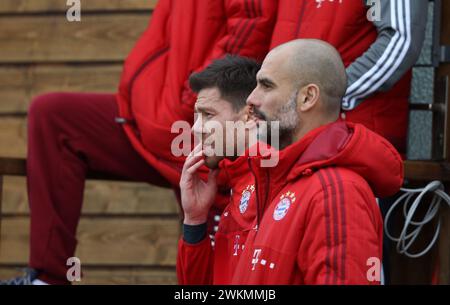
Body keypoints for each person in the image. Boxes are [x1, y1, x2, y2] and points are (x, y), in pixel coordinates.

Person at [0, 0, 276, 285]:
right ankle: (46, 280)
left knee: (211, 224)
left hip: (185, 119)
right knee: (54, 116)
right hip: (147, 115)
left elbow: (251, 24)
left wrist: (193, 102)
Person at [177, 39, 404, 285]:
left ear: (307, 98)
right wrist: (195, 222)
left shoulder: (336, 190)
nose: (251, 99)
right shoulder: (274, 180)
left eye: (266, 86)